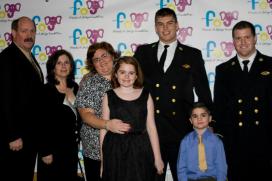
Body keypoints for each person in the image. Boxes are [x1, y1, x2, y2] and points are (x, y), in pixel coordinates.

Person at [133, 8, 212, 181]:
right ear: (155, 27)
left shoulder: (192, 55)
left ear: (177, 26)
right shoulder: (143, 53)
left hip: (181, 132)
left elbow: (203, 92)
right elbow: (132, 86)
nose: (165, 28)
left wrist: (208, 126)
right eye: (160, 24)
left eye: (170, 23)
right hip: (150, 131)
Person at [213, 20, 272, 181]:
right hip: (235, 144)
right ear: (233, 41)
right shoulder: (223, 70)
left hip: (264, 142)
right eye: (238, 38)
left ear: (255, 39)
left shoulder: (269, 65)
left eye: (247, 37)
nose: (243, 42)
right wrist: (221, 142)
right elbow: (219, 108)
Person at [100, 56, 164, 181]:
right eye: (122, 72)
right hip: (114, 151)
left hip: (140, 150)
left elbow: (151, 128)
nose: (127, 76)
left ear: (136, 76)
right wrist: (103, 162)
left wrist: (158, 158)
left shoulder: (146, 95)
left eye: (131, 73)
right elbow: (103, 129)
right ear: (116, 74)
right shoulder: (108, 96)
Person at [75, 42, 131, 181]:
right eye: (96, 59)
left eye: (104, 56)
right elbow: (86, 115)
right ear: (92, 64)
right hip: (96, 151)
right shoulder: (89, 83)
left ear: (113, 56)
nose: (101, 61)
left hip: (126, 148)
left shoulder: (128, 77)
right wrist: (107, 124)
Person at [0, 16, 44, 181]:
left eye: (32, 31)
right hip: (16, 139)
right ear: (13, 33)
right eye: (24, 31)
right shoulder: (7, 59)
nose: (29, 35)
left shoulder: (28, 56)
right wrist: (12, 135)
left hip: (29, 135)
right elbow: (4, 99)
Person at [36, 49, 81, 181]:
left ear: (71, 66)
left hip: (71, 148)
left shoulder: (76, 87)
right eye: (59, 63)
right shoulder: (45, 90)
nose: (63, 66)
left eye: (66, 62)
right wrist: (45, 151)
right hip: (51, 149)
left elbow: (81, 116)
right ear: (52, 67)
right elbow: (39, 122)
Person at [177, 102, 227, 181]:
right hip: (191, 179)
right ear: (190, 120)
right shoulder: (185, 141)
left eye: (203, 115)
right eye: (195, 116)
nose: (199, 119)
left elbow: (221, 167)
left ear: (210, 118)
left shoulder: (217, 142)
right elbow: (181, 168)